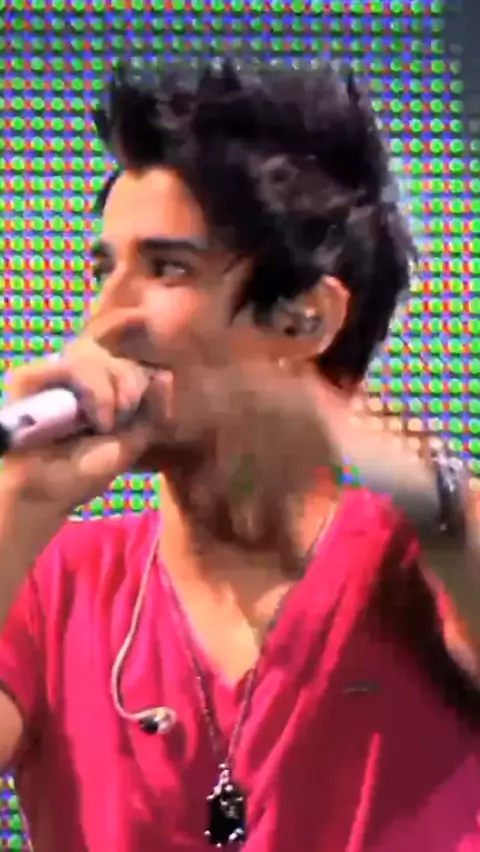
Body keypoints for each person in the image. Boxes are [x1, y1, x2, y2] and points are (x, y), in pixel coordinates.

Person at [0, 58, 479, 852]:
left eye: (166, 268)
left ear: (304, 320)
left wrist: (430, 493)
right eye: (104, 269)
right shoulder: (46, 580)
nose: (104, 318)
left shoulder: (430, 561)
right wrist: (15, 505)